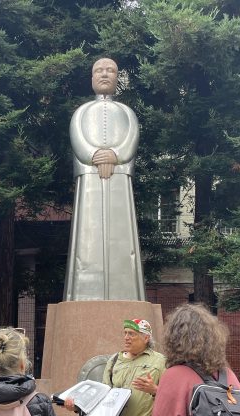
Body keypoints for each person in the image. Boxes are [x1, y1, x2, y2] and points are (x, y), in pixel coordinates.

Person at [65, 57, 145, 301]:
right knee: (87, 239)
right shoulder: (81, 112)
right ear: (91, 78)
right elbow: (78, 139)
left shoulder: (127, 113)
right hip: (90, 178)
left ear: (117, 77)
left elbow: (131, 139)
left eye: (110, 70)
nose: (104, 74)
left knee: (123, 239)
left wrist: (115, 155)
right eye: (99, 70)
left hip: (119, 179)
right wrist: (94, 155)